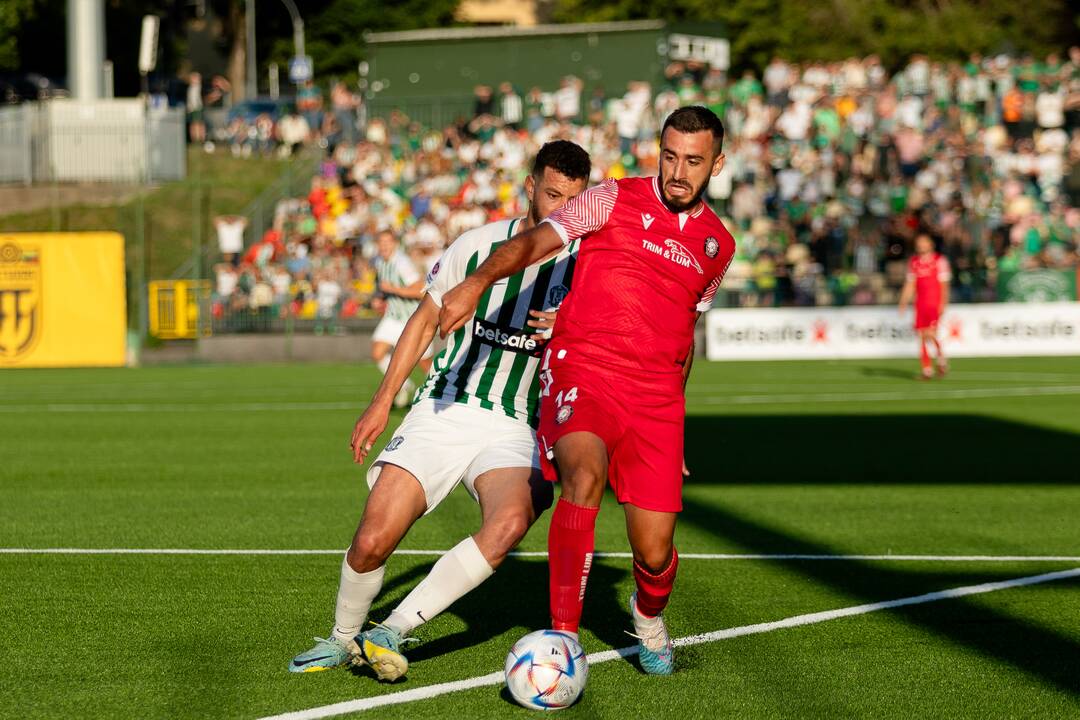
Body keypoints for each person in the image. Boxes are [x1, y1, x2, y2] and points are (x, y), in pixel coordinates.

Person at [437, 106, 736, 676]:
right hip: (585, 369)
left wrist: (677, 415)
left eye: (694, 161)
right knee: (583, 474)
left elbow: (685, 331)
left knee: (653, 553)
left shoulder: (719, 245)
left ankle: (648, 615)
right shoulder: (610, 199)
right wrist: (478, 281)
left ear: (717, 163)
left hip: (656, 399)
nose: (678, 171)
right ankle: (563, 638)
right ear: (658, 148)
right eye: (669, 155)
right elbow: (535, 241)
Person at [287, 141, 592, 679]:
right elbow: (424, 320)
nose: (559, 209)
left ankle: (392, 629)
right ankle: (340, 638)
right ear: (529, 186)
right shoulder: (476, 246)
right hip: (446, 407)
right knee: (373, 539)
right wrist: (382, 401)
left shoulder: (589, 265)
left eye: (571, 199)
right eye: (550, 194)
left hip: (519, 426)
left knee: (510, 523)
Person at [371, 229, 430, 408]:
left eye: (387, 242)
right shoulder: (381, 262)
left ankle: (439, 392)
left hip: (410, 318)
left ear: (395, 244)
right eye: (381, 243)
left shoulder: (402, 263)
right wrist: (379, 299)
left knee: (424, 362)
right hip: (393, 317)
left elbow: (420, 290)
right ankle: (404, 385)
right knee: (377, 353)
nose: (384, 246)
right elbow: (385, 288)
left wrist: (392, 290)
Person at [898, 233, 951, 379]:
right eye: (919, 242)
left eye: (924, 242)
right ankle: (927, 369)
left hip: (934, 302)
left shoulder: (940, 261)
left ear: (930, 244)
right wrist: (903, 302)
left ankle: (940, 359)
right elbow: (910, 284)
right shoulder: (914, 262)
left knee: (930, 334)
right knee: (921, 335)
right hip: (920, 303)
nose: (921, 245)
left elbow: (944, 285)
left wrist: (943, 303)